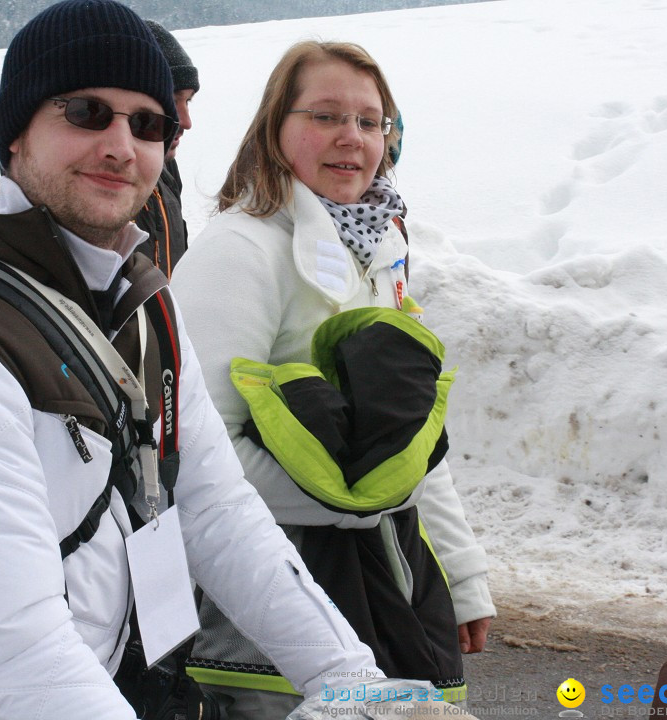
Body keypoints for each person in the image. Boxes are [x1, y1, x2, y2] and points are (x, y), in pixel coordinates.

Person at [0, 4, 468, 719]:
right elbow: (16, 649)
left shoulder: (140, 304)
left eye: (148, 124)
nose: (122, 145)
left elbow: (217, 510)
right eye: (86, 112)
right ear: (15, 133)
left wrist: (354, 684)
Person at [171, 41, 497, 718]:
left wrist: (460, 576)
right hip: (271, 599)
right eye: (325, 116)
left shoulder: (381, 251)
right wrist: (355, 506)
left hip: (390, 580)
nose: (352, 137)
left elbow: (408, 443)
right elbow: (200, 455)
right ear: (275, 128)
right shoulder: (239, 250)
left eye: (370, 122)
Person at [133, 20, 198, 278]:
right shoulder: (92, 190)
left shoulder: (166, 168)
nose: (186, 121)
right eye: (172, 100)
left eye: (188, 101)